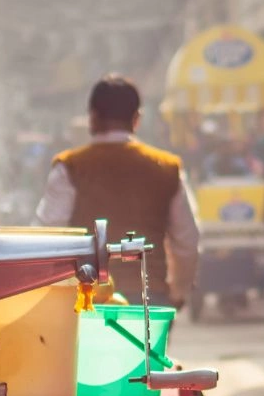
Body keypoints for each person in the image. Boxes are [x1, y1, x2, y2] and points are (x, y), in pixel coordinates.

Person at [36, 74, 200, 306]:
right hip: (149, 299)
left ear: (92, 118)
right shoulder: (166, 168)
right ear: (137, 119)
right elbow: (186, 241)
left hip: (85, 301)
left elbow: (48, 234)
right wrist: (179, 290)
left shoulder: (70, 167)